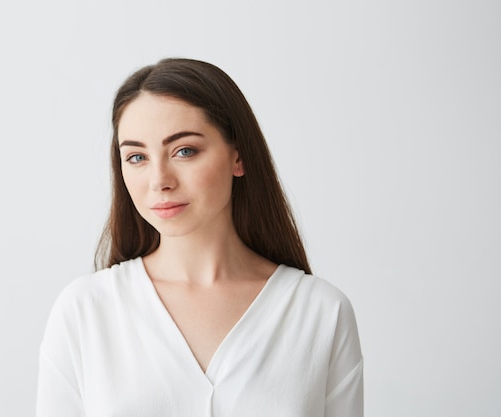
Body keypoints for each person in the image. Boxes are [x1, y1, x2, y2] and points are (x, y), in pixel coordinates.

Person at [36, 58, 363, 417]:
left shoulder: (321, 313)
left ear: (238, 156)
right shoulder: (85, 311)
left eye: (184, 151)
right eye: (136, 157)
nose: (159, 179)